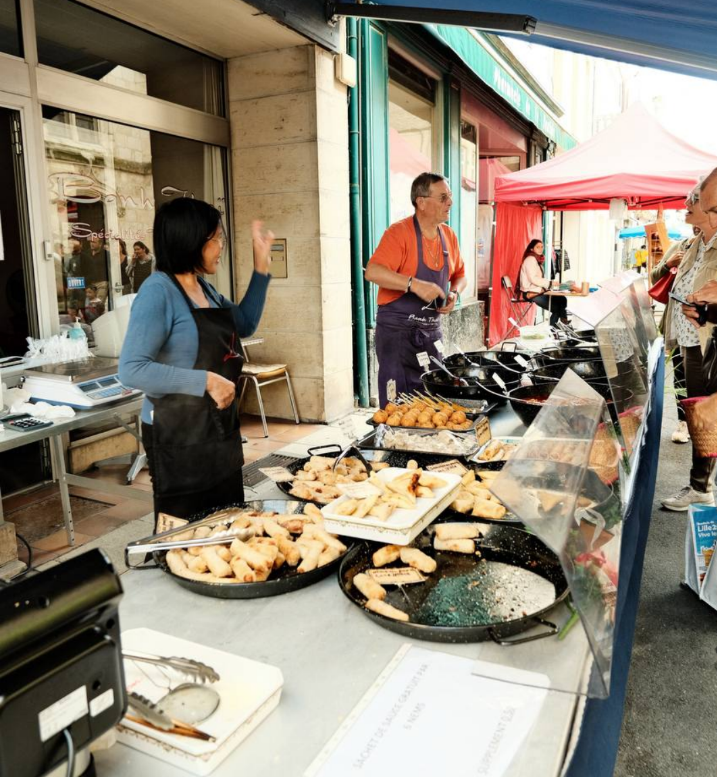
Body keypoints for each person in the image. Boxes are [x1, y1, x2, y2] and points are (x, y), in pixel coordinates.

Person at [118, 198, 273, 527]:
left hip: (218, 425)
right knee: (184, 532)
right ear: (191, 239)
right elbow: (131, 369)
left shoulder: (205, 288)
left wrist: (261, 269)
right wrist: (203, 380)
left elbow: (244, 323)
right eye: (215, 238)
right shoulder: (158, 292)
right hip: (178, 431)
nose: (220, 247)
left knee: (226, 518)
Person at [364, 172, 467, 407]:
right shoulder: (398, 233)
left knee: (432, 397)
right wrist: (414, 284)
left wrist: (454, 293)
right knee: (398, 402)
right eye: (442, 197)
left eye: (449, 197)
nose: (449, 202)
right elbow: (373, 271)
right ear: (421, 202)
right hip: (397, 334)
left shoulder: (448, 236)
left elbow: (461, 275)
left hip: (431, 333)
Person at [660, 185, 717, 511]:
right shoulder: (697, 243)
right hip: (688, 342)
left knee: (705, 419)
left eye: (691, 204)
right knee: (700, 417)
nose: (685, 208)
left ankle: (701, 487)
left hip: (706, 344)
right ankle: (701, 483)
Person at [650, 228, 699, 444]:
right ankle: (683, 422)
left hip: (706, 326)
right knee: (680, 373)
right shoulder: (682, 246)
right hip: (678, 323)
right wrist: (668, 264)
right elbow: (653, 276)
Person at [518, 239, 574, 328]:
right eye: (537, 247)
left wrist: (549, 284)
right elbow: (533, 279)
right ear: (532, 249)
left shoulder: (536, 260)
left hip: (538, 290)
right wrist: (549, 283)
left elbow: (538, 279)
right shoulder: (530, 260)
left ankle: (561, 321)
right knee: (557, 308)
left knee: (562, 299)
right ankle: (553, 328)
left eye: (542, 247)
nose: (540, 249)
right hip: (531, 293)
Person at [80, 234, 110, 305]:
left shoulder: (105, 254)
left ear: (100, 244)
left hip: (101, 283)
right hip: (89, 283)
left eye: (94, 242)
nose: (91, 244)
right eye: (91, 242)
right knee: (89, 305)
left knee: (97, 305)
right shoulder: (86, 254)